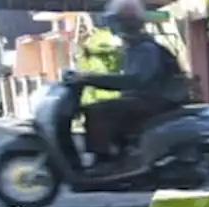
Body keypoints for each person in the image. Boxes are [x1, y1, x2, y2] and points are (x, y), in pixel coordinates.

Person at [69, 0, 188, 171]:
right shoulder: (134, 46)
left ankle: (104, 161)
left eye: (116, 20)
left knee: (97, 110)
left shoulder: (145, 48)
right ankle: (120, 154)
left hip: (155, 101)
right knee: (112, 107)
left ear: (127, 22)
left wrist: (91, 79)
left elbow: (135, 80)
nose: (112, 25)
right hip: (146, 98)